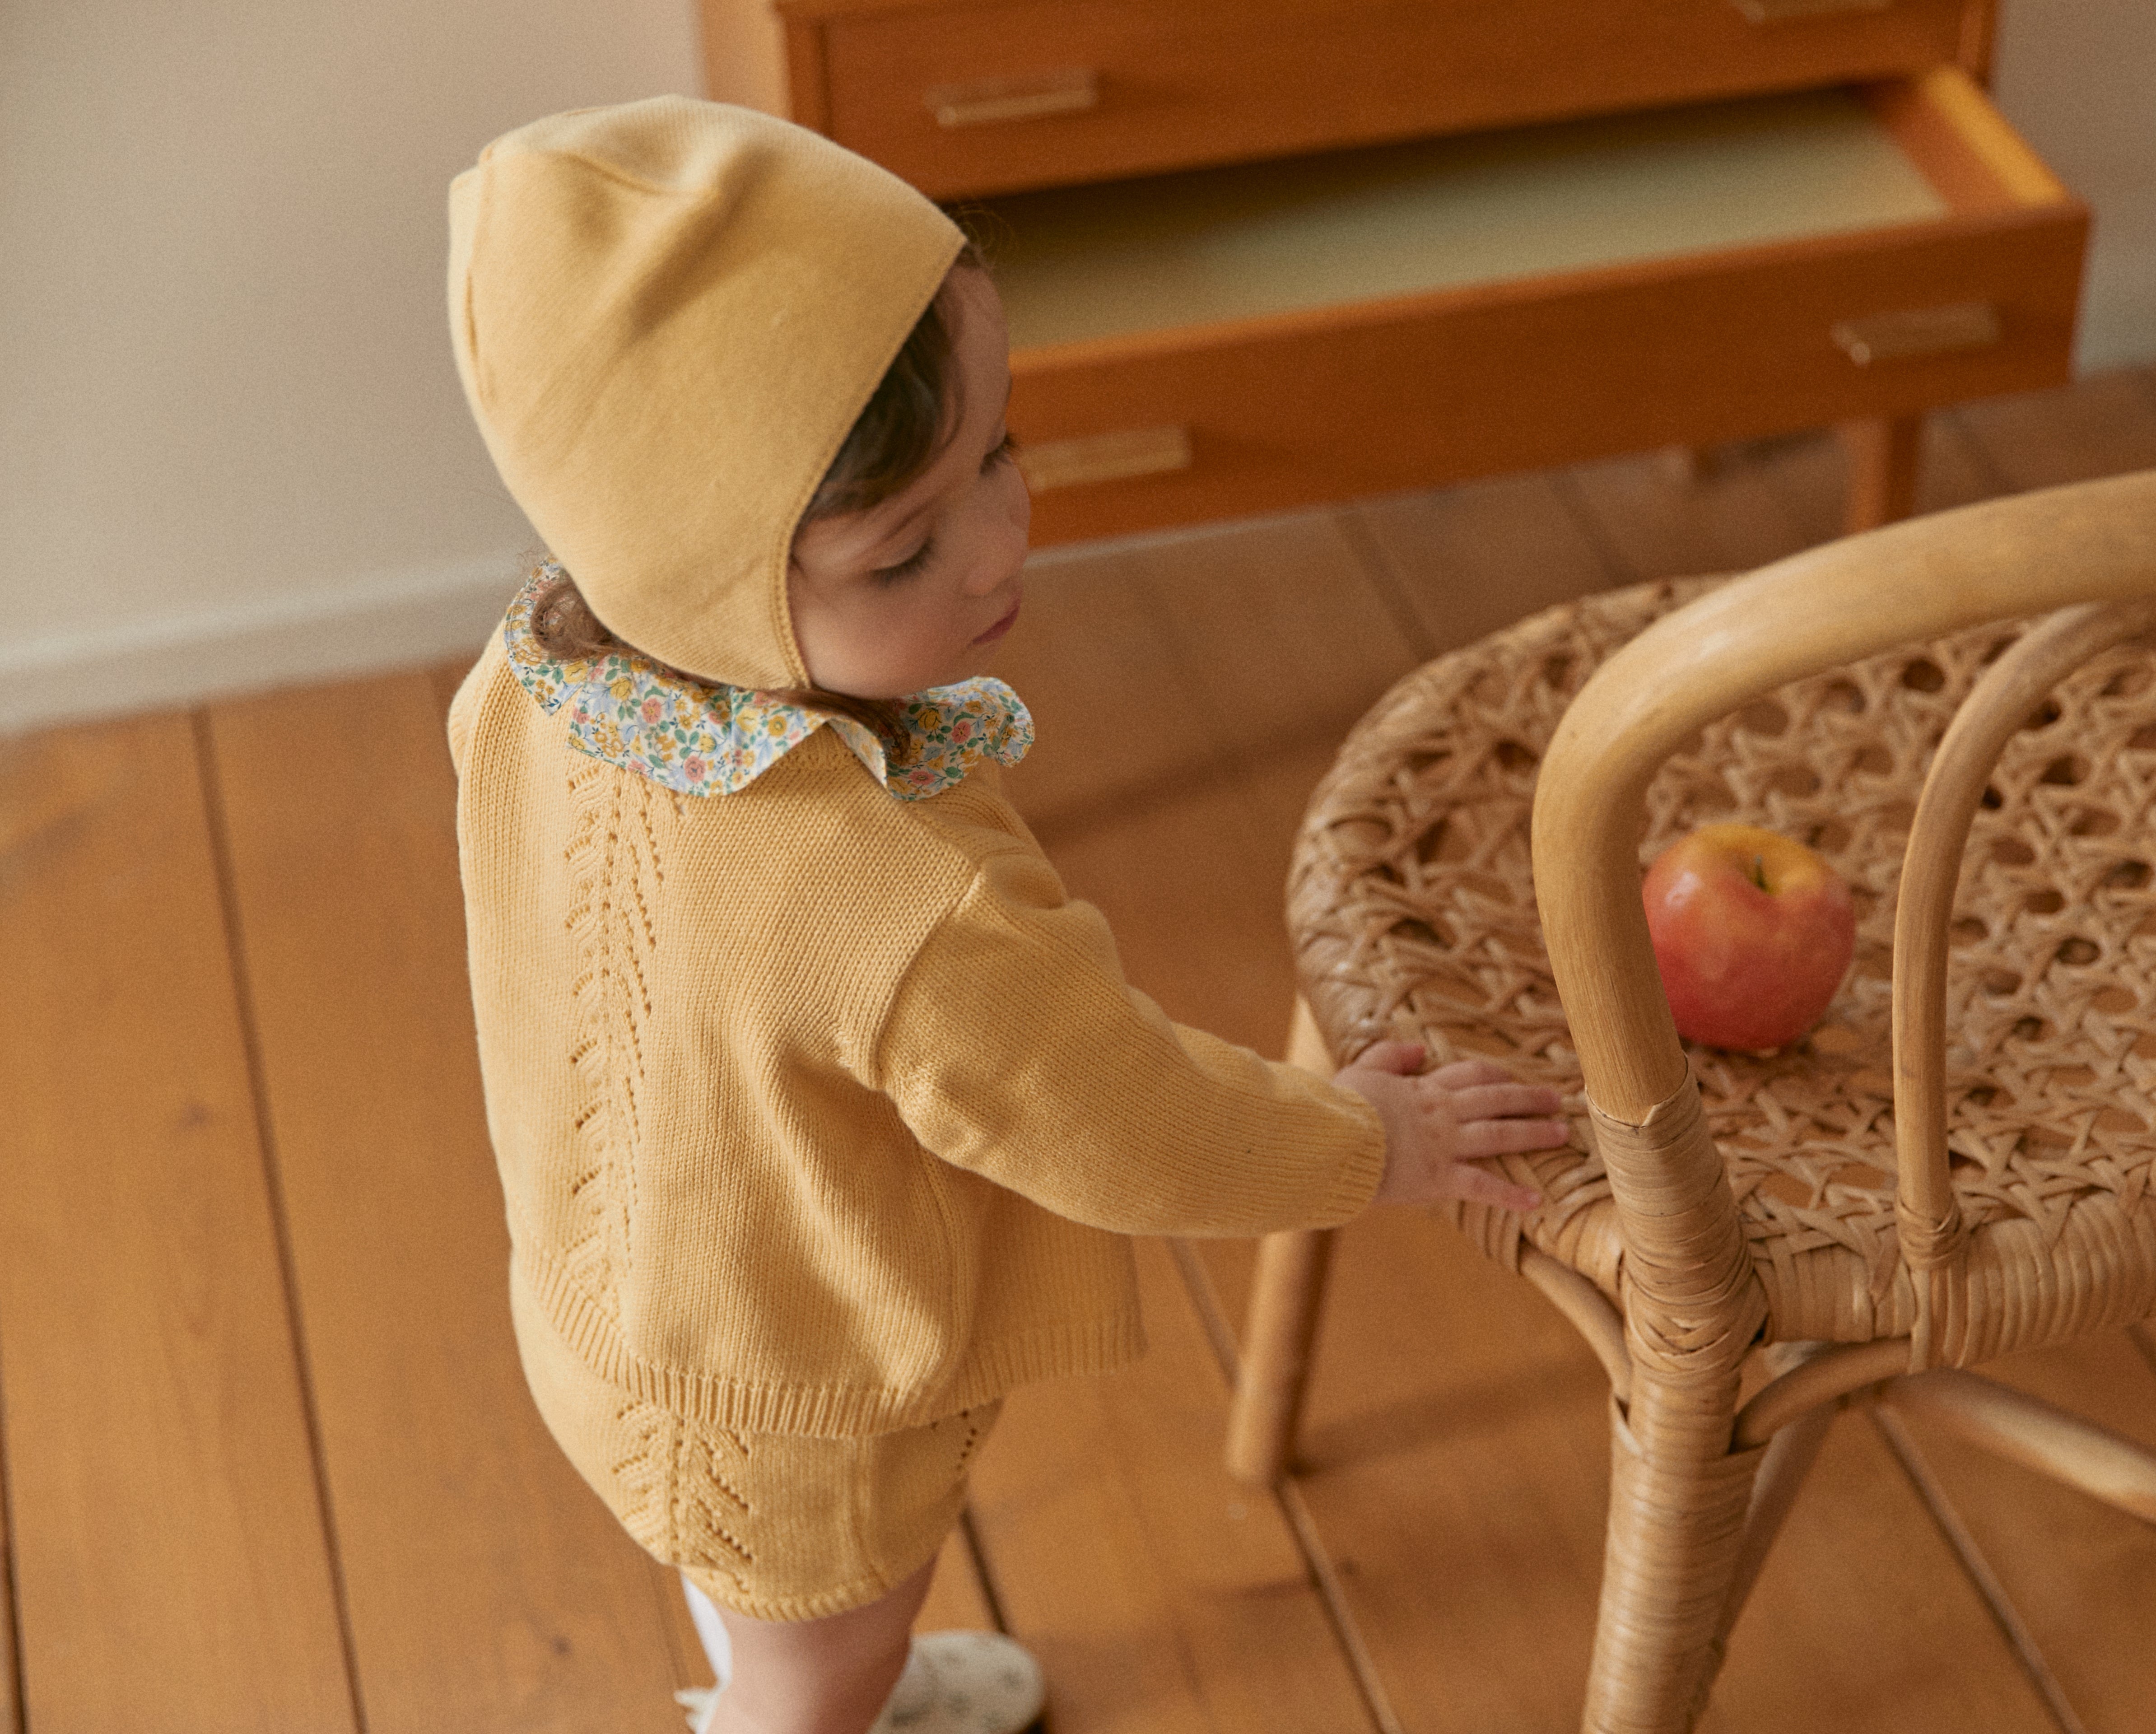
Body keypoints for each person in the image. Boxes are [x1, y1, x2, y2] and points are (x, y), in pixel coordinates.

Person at [443, 97, 1568, 1734]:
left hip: (615, 1306)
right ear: (702, 578)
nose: (1000, 546)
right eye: (905, 553)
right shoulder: (901, 899)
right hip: (807, 1401)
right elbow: (1119, 1114)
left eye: (1004, 449)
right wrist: (1365, 1146)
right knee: (824, 1660)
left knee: (746, 1585)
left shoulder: (536, 678)